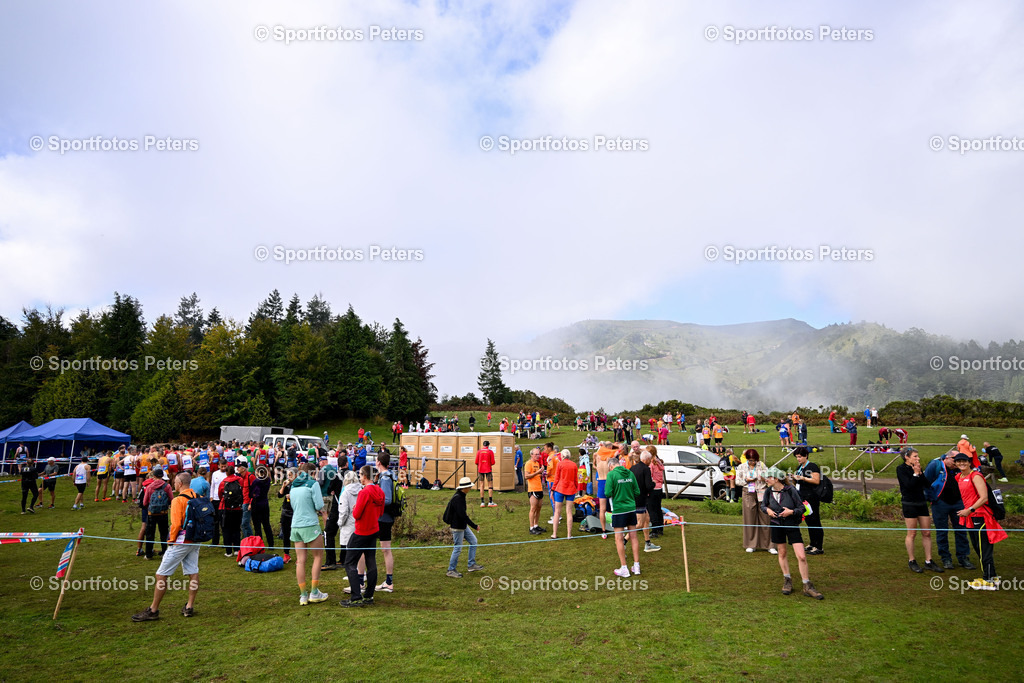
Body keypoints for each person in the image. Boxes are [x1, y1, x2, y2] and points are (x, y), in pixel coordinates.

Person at [131, 472, 201, 621]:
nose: (173, 484)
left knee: (161, 575)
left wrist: (171, 541)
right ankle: (189, 606)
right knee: (193, 572)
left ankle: (153, 610)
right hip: (195, 540)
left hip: (181, 542)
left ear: (180, 484)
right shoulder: (198, 497)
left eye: (175, 482)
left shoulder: (178, 500)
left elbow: (175, 524)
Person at [762, 467, 824, 600]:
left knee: (801, 556)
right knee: (782, 552)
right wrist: (767, 510)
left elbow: (801, 508)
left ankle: (807, 585)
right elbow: (763, 505)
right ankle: (787, 580)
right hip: (776, 525)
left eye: (768, 477)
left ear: (776, 478)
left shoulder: (791, 490)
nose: (766, 479)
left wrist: (791, 512)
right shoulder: (768, 491)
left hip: (791, 525)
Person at [953, 453, 1008, 590]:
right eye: (959, 461)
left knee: (984, 549)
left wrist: (969, 510)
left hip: (981, 516)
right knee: (978, 548)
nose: (961, 463)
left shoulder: (975, 476)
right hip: (971, 517)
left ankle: (988, 580)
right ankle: (992, 576)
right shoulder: (958, 477)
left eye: (964, 461)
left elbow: (983, 498)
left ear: (969, 462)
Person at [341, 465, 384, 607]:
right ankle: (369, 596)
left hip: (361, 531)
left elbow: (356, 514)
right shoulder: (380, 491)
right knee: (371, 561)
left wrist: (355, 509)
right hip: (373, 529)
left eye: (360, 475)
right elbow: (381, 512)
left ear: (365, 476)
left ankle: (356, 596)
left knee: (349, 562)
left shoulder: (364, 493)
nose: (359, 477)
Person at [924, 450, 974, 571]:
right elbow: (925, 483)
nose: (956, 463)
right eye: (954, 460)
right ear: (947, 457)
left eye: (959, 461)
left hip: (958, 503)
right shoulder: (935, 465)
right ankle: (945, 558)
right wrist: (932, 498)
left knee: (961, 530)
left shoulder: (961, 468)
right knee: (942, 531)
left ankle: (963, 557)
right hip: (940, 503)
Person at [896, 448, 943, 574]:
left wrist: (920, 473)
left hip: (921, 503)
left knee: (927, 532)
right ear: (907, 457)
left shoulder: (917, 468)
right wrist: (915, 474)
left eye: (918, 456)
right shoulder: (901, 469)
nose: (918, 458)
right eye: (915, 456)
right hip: (909, 503)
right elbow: (908, 486)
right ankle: (912, 560)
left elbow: (927, 485)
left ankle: (929, 561)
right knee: (912, 533)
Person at [288, 464, 329, 605]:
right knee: (318, 556)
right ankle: (314, 592)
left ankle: (303, 595)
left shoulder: (293, 486)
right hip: (310, 524)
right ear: (313, 472)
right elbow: (318, 505)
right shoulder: (313, 484)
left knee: (300, 560)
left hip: (296, 525)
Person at [605, 455, 642, 577]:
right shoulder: (630, 473)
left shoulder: (611, 475)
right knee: (634, 536)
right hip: (631, 508)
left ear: (611, 466)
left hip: (619, 509)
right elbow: (637, 492)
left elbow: (607, 492)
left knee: (618, 538)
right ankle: (636, 566)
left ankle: (624, 567)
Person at [735, 449, 775, 554]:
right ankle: (751, 544)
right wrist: (746, 480)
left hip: (762, 492)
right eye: (750, 460)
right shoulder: (741, 467)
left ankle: (769, 545)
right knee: (749, 518)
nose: (752, 462)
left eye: (754, 460)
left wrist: (763, 478)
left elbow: (769, 478)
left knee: (766, 518)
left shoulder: (762, 466)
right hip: (748, 492)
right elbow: (737, 481)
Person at [445, 476, 485, 578]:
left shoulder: (461, 496)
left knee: (473, 541)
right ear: (465, 488)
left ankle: (471, 564)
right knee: (457, 548)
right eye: (469, 487)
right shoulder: (458, 498)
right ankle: (451, 570)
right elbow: (463, 515)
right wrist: (474, 526)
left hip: (463, 525)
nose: (470, 489)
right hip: (457, 527)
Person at [792, 447, 824, 555]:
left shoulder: (812, 466)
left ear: (806, 456)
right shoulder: (800, 467)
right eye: (797, 457)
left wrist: (803, 478)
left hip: (812, 497)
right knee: (809, 520)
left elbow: (816, 480)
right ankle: (812, 543)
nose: (798, 459)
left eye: (800, 457)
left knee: (815, 521)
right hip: (802, 497)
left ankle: (818, 546)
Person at [374, 453, 397, 594]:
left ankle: (389, 582)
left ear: (378, 462)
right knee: (384, 550)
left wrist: (374, 501)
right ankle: (388, 581)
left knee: (386, 550)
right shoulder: (389, 475)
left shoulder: (385, 478)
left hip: (384, 518)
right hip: (384, 518)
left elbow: (387, 499)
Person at [632, 450, 660, 552]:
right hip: (640, 499)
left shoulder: (633, 468)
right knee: (639, 523)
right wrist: (653, 483)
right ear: (647, 459)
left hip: (634, 497)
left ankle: (647, 543)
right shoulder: (646, 469)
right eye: (649, 460)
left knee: (647, 519)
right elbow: (648, 486)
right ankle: (624, 540)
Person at [142, 468, 172, 560]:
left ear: (154, 476)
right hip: (163, 513)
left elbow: (145, 502)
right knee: (164, 533)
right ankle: (164, 552)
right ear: (162, 476)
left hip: (152, 513)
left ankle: (148, 554)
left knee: (150, 533)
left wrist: (150, 507)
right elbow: (171, 499)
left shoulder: (150, 486)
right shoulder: (167, 486)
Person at [551, 449, 578, 540]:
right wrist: (576, 488)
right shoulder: (574, 465)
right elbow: (575, 479)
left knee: (557, 512)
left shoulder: (560, 464)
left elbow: (556, 478)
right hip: (570, 489)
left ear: (562, 456)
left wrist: (552, 489)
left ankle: (554, 534)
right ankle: (569, 535)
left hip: (560, 489)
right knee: (569, 512)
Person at [217, 464, 243, 558]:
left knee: (226, 529)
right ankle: (237, 549)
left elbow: (220, 494)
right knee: (236, 528)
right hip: (237, 508)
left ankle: (228, 551)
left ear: (226, 472)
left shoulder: (223, 482)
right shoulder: (240, 480)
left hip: (225, 508)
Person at [250, 465, 274, 549]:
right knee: (266, 524)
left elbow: (252, 493)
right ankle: (271, 544)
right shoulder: (267, 480)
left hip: (256, 504)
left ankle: (259, 544)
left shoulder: (256, 481)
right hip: (264, 503)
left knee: (257, 526)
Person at [524, 448, 546, 534]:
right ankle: (531, 527)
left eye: (538, 454)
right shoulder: (528, 463)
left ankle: (536, 525)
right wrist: (538, 473)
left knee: (539, 508)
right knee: (533, 508)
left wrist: (542, 473)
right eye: (536, 454)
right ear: (531, 455)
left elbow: (537, 475)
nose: (538, 456)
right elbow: (526, 476)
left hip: (539, 488)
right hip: (532, 489)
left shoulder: (537, 463)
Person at [646, 445, 666, 538]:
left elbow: (649, 477)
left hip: (653, 489)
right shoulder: (659, 462)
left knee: (652, 510)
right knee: (658, 509)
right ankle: (660, 528)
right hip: (659, 488)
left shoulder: (651, 464)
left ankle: (654, 530)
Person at [235, 458, 256, 540]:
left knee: (245, 523)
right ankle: (247, 539)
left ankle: (249, 540)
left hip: (248, 502)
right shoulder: (241, 478)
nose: (237, 468)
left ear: (243, 468)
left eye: (239, 467)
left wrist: (251, 503)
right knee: (243, 523)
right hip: (243, 502)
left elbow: (255, 491)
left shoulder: (250, 477)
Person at [475, 440, 496, 507]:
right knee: (490, 485)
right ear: (488, 445)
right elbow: (493, 462)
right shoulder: (490, 452)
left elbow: (476, 462)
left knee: (481, 485)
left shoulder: (479, 451)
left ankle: (482, 502)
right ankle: (490, 501)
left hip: (480, 469)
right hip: (488, 469)